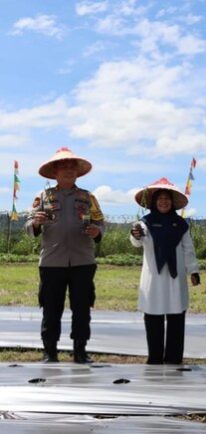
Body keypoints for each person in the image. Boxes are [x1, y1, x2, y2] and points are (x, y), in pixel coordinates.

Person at [25, 147, 105, 363]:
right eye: (63, 167)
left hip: (83, 261)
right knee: (51, 308)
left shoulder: (89, 197)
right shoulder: (42, 196)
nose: (68, 171)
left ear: (77, 173)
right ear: (55, 172)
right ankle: (50, 351)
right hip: (52, 261)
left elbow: (100, 224)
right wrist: (36, 223)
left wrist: (97, 232)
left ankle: (80, 351)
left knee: (82, 308)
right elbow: (29, 226)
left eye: (72, 167)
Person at [130, 178, 200, 364]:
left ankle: (174, 357)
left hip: (176, 278)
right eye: (160, 198)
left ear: (172, 202)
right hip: (153, 278)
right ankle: (154, 357)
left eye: (167, 198)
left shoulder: (181, 224)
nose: (163, 201)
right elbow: (138, 240)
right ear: (153, 202)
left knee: (177, 316)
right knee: (153, 316)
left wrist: (193, 271)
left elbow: (188, 249)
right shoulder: (145, 223)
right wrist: (135, 234)